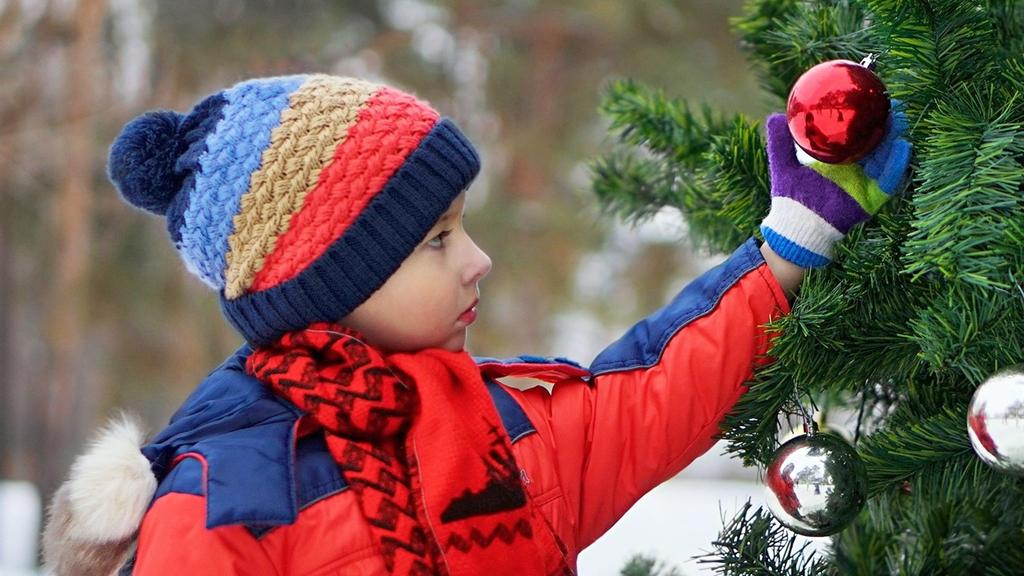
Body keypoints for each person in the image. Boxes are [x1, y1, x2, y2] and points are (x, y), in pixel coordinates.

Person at [41, 74, 910, 576]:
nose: (478, 260)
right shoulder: (224, 505)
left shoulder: (497, 426)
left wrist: (790, 243)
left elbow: (651, 393)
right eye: (437, 239)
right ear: (330, 281)